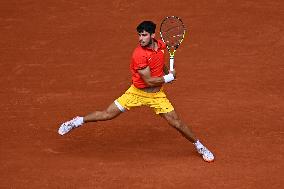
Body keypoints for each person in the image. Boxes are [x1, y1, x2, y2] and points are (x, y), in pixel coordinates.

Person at [58, 21, 214, 162]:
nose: (141, 38)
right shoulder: (138, 54)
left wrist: (167, 73)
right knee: (107, 114)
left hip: (157, 96)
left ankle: (199, 146)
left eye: (144, 35)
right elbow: (148, 81)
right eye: (139, 35)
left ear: (153, 35)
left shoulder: (160, 46)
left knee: (177, 123)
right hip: (136, 92)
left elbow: (160, 63)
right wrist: (168, 78)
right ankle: (77, 121)